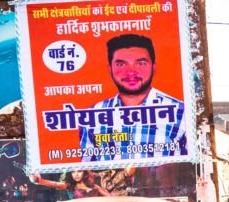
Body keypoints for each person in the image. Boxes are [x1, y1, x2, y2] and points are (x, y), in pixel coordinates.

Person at [79, 34, 187, 162]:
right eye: (121, 64)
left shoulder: (181, 112)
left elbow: (193, 170)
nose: (131, 72)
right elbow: (86, 167)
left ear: (153, 67)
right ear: (110, 69)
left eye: (141, 63)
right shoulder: (92, 115)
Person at [31, 170, 111, 199]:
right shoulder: (69, 187)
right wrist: (39, 180)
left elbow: (110, 198)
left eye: (79, 171)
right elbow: (55, 184)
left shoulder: (95, 187)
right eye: (73, 172)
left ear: (85, 173)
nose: (76, 174)